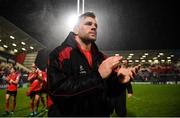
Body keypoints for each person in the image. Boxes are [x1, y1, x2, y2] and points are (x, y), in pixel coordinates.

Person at [47, 12, 138, 116]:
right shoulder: (60, 54)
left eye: (95, 25)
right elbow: (58, 91)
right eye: (88, 24)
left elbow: (109, 92)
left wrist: (119, 82)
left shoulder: (102, 58)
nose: (94, 27)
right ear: (76, 29)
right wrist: (98, 76)